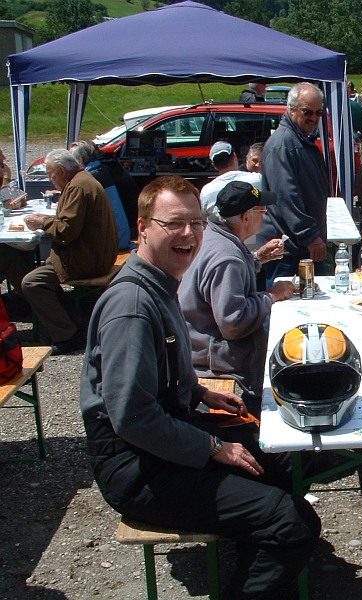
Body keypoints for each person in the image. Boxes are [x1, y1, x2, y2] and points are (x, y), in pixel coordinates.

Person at [80, 176, 320, 600]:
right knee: (294, 521)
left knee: (279, 460)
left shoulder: (159, 281)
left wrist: (200, 392)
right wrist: (213, 447)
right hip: (136, 468)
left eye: (195, 222)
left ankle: (255, 541)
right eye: (174, 224)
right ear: (143, 228)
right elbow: (132, 417)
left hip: (167, 434)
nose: (188, 234)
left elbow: (165, 368)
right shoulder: (132, 308)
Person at [179, 181, 293, 413]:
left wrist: (257, 259)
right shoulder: (227, 257)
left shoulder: (212, 236)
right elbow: (233, 322)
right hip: (213, 360)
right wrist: (271, 296)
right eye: (262, 211)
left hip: (195, 344)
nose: (265, 216)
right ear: (245, 217)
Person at [21, 149, 118, 354]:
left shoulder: (77, 187)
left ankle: (67, 335)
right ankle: (70, 322)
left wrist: (41, 222)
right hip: (95, 255)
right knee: (39, 267)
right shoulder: (82, 181)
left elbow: (66, 232)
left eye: (50, 174)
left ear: (62, 171)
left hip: (89, 261)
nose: (50, 179)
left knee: (32, 282)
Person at [260, 82, 328, 285]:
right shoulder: (283, 145)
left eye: (319, 113)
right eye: (308, 112)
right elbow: (287, 197)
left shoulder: (300, 141)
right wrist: (310, 236)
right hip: (289, 252)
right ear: (291, 110)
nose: (314, 118)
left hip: (301, 247)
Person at [70, 140, 136, 250]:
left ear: (80, 160)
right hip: (123, 234)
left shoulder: (89, 178)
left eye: (70, 160)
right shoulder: (102, 170)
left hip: (113, 241)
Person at [200, 141, 261, 220]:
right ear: (235, 157)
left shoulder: (207, 192)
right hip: (257, 231)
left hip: (222, 232)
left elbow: (204, 221)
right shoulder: (257, 179)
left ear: (214, 165)